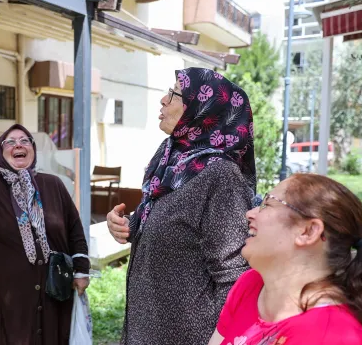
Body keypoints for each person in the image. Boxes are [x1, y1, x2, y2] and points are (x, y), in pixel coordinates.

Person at [106, 67, 256, 344]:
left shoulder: (220, 176)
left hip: (187, 336)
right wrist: (127, 224)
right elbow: (166, 223)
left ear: (203, 108)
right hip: (145, 328)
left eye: (174, 93)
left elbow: (235, 279)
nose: (163, 100)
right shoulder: (169, 158)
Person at [209, 174, 362, 345]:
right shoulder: (250, 284)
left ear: (308, 231)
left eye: (267, 204)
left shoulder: (331, 335)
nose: (250, 213)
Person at [0, 124, 90, 345]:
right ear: (1, 151)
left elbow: (75, 230)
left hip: (53, 299)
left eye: (25, 141)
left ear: (33, 150)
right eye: (10, 141)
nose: (18, 144)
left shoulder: (53, 184)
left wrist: (81, 270)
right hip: (5, 308)